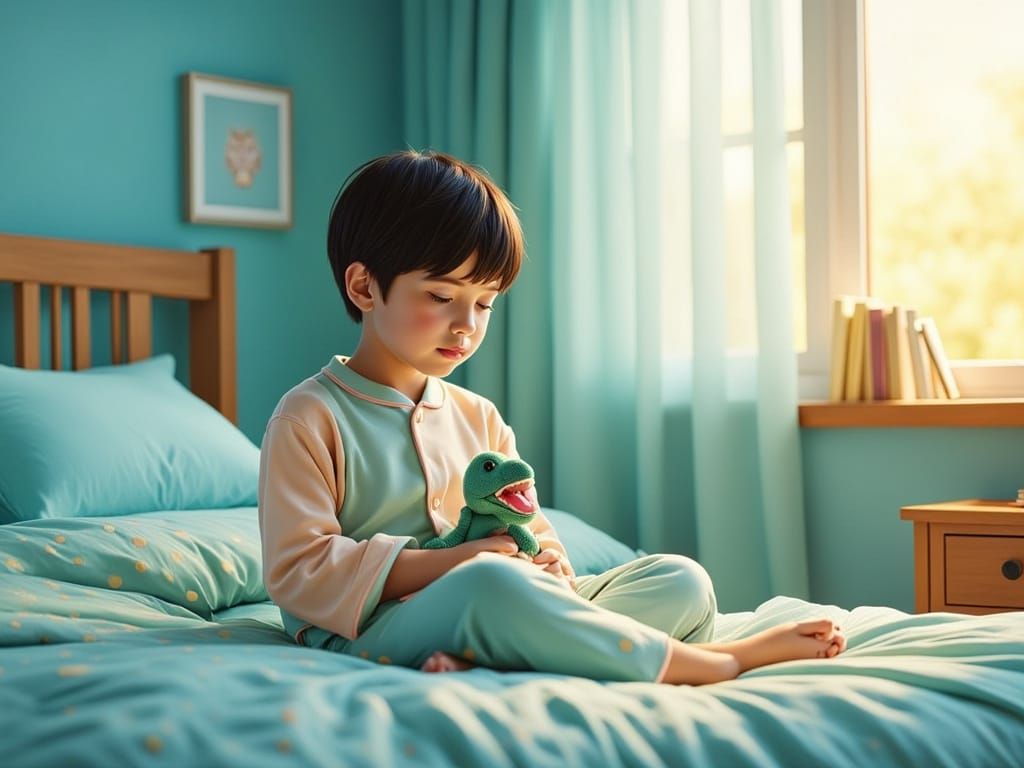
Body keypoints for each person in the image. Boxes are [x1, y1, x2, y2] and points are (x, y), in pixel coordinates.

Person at [257, 149, 846, 685]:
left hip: (499, 601)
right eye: (441, 297)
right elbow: (299, 571)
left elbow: (530, 528)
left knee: (680, 579)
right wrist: (454, 563)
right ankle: (716, 662)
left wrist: (549, 565)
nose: (467, 325)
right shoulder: (309, 417)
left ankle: (498, 654)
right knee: (489, 585)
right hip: (372, 630)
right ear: (364, 286)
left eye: (485, 303)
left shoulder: (479, 417)